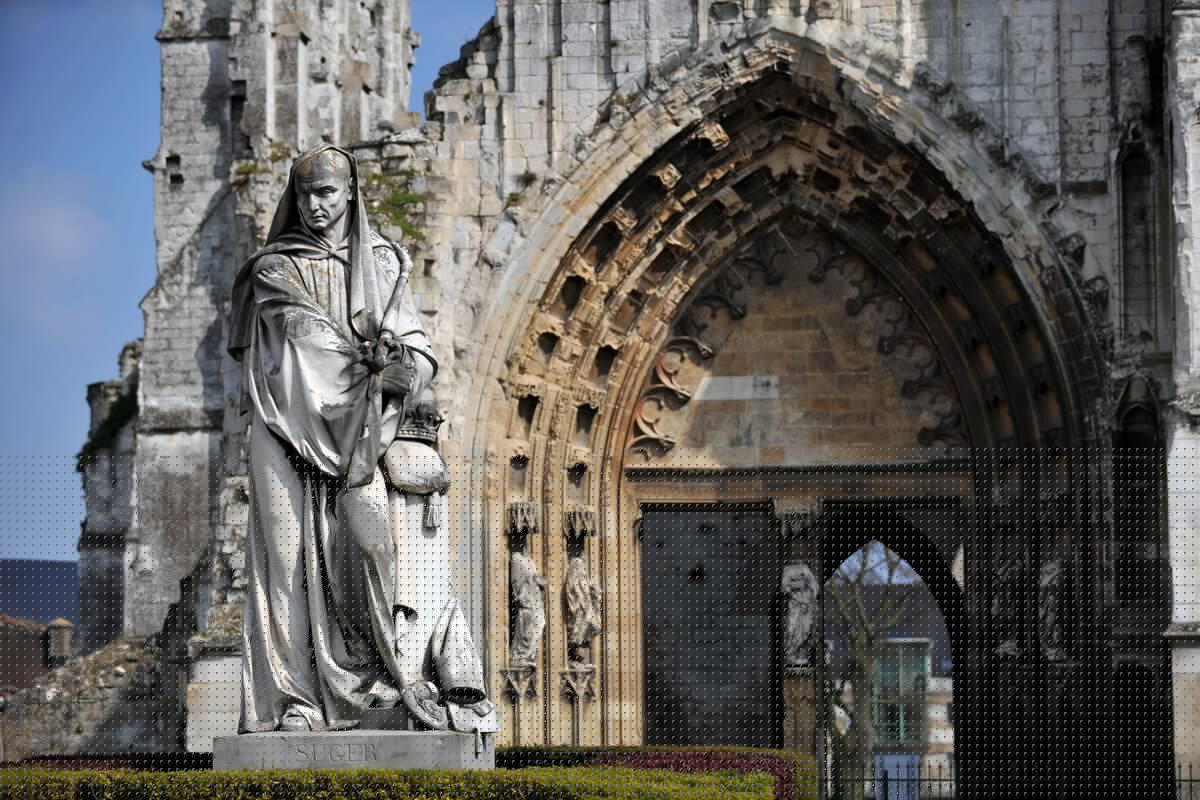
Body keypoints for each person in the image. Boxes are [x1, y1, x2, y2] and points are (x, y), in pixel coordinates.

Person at [227, 144, 472, 733]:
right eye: (305, 194)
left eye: (326, 193)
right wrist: (370, 367)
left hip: (361, 435)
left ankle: (381, 680)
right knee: (283, 561)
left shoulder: (382, 262)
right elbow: (305, 337)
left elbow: (417, 346)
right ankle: (294, 702)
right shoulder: (274, 268)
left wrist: (405, 367)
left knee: (371, 545)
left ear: (349, 193)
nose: (315, 205)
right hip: (284, 423)